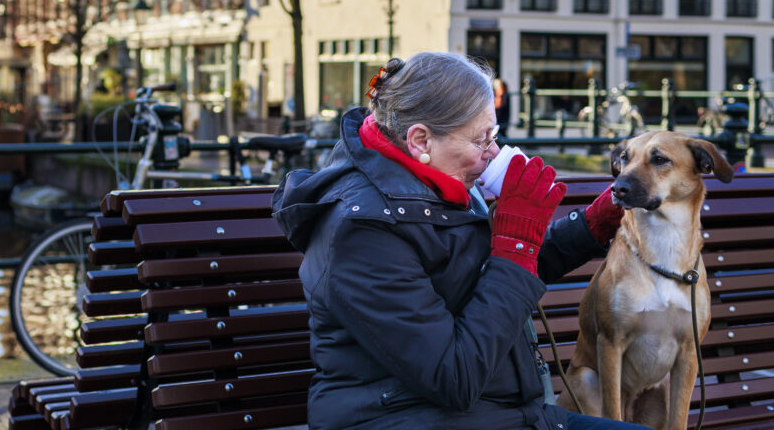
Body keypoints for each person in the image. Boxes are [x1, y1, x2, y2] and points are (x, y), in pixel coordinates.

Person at [272, 52, 636, 430]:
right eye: (482, 140)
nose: (493, 153)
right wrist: (515, 246)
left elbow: (488, 279)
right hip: (408, 418)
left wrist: (590, 225)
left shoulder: (438, 183)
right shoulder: (362, 230)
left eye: (495, 137)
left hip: (500, 414)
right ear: (420, 140)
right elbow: (454, 377)